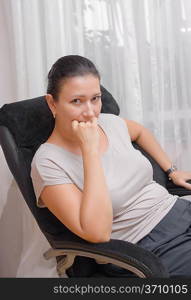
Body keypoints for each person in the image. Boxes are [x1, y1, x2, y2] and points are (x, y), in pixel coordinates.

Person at [31, 55, 191, 277]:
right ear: (52, 103)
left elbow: (141, 132)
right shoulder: (48, 162)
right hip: (146, 246)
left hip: (178, 212)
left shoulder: (110, 123)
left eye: (95, 98)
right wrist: (90, 151)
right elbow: (97, 233)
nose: (90, 112)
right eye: (76, 101)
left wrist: (172, 171)